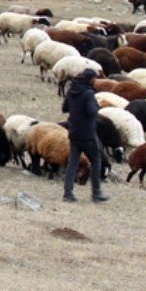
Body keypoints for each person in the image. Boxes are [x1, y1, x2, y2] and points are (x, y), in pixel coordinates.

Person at [61, 65, 106, 203]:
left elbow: (64, 108)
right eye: (94, 79)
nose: (95, 81)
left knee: (73, 162)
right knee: (96, 160)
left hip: (74, 132)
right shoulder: (88, 93)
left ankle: (68, 193)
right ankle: (96, 193)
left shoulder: (72, 90)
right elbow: (91, 111)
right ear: (90, 79)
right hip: (87, 134)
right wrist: (97, 105)